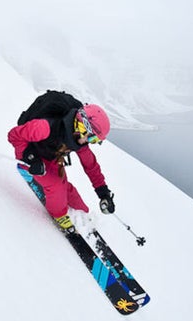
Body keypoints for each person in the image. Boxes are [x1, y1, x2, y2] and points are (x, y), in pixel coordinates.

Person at [8, 90, 116, 233]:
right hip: (30, 155)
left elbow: (91, 166)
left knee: (68, 189)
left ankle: (81, 213)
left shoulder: (79, 141)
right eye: (91, 137)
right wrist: (30, 158)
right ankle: (59, 215)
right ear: (82, 126)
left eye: (95, 141)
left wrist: (103, 193)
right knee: (56, 185)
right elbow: (14, 135)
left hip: (51, 155)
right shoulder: (45, 127)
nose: (90, 142)